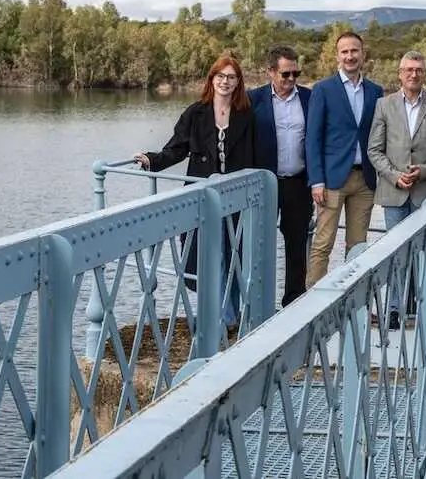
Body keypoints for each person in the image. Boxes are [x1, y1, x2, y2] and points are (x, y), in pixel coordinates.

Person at [133, 53, 258, 319]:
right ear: (212, 79)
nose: (225, 82)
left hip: (238, 197)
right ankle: (219, 320)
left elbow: (258, 155)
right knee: (209, 257)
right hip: (204, 197)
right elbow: (177, 149)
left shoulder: (247, 115)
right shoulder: (195, 112)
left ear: (238, 82)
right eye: (220, 76)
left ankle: (231, 316)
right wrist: (151, 160)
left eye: (231, 77)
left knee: (236, 254)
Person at [367, 50, 426, 327]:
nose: (414, 74)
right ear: (400, 74)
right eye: (409, 70)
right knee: (396, 252)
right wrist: (395, 176)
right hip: (394, 191)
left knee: (425, 252)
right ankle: (394, 309)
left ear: (424, 74)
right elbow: (374, 150)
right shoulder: (384, 105)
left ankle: (424, 307)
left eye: (418, 70)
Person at [305, 31, 384, 286]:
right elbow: (312, 138)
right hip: (331, 180)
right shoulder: (323, 89)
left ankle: (352, 304)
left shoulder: (375, 91)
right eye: (345, 52)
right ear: (337, 56)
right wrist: (316, 180)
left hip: (365, 180)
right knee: (323, 243)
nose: (350, 56)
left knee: (358, 247)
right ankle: (312, 305)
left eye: (354, 51)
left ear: (363, 54)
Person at [248, 45, 313, 307]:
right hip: (264, 185)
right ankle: (256, 304)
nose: (291, 80)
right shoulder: (253, 99)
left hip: (298, 183)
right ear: (271, 72)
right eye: (285, 74)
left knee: (296, 245)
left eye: (295, 74)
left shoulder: (309, 98)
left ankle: (293, 302)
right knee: (257, 244)